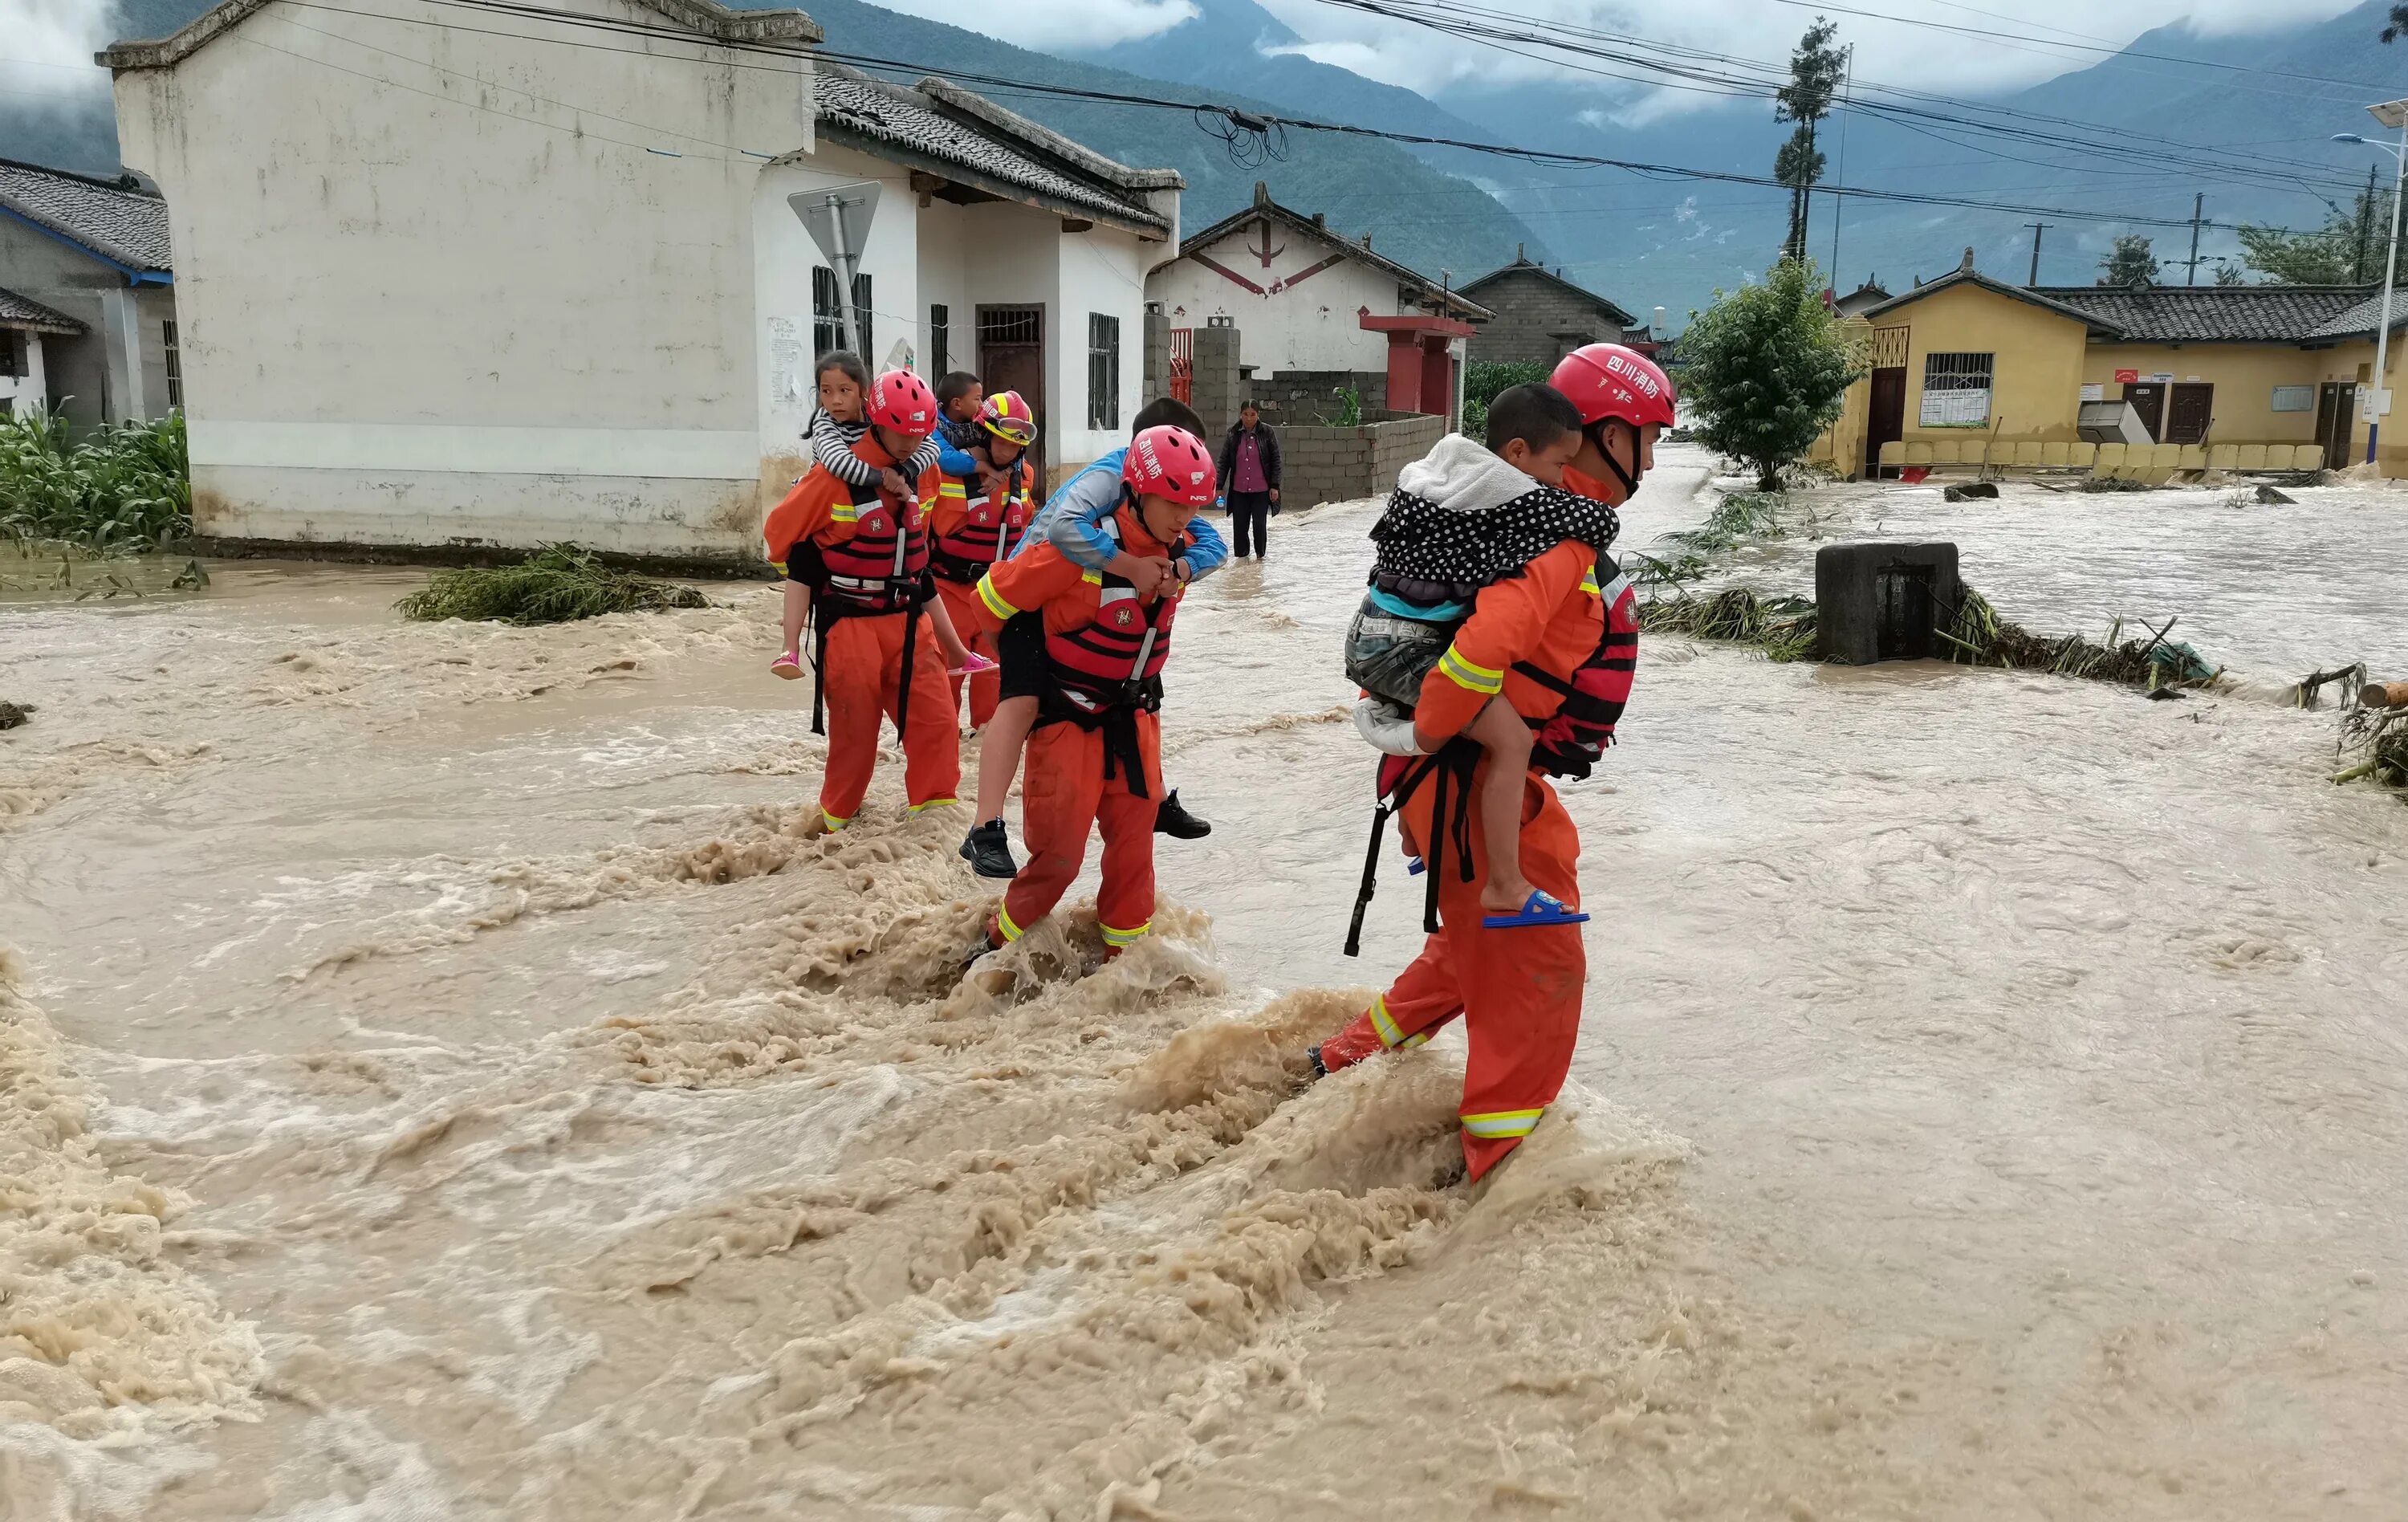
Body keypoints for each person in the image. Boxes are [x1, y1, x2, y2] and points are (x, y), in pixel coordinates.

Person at [1317, 343, 1672, 1184]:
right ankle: (1500, 1172)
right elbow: (1483, 650)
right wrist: (1439, 733)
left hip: (1453, 786)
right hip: (1469, 784)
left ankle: (1340, 1060)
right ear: (1600, 434)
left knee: (1478, 942)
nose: (1654, 460)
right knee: (1539, 958)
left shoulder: (1531, 522)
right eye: (1649, 438)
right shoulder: (1555, 539)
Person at [1343, 383, 1609, 927]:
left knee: (1413, 717)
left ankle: (1412, 837)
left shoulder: (1442, 476)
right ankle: (1505, 886)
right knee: (1510, 742)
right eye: (1559, 463)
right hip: (1403, 647)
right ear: (1515, 454)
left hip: (1370, 630)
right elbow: (1588, 521)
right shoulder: (1506, 499)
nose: (1561, 479)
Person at [965, 425, 1218, 957]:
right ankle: (991, 944)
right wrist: (1025, 669)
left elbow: (1216, 549)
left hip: (1135, 723)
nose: (1183, 517)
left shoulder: (1183, 547)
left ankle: (1122, 972)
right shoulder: (1075, 547)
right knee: (1059, 858)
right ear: (1138, 490)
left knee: (1133, 854)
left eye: (1192, 505)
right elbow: (989, 601)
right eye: (1173, 502)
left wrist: (1184, 565)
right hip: (1069, 722)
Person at [759, 368, 965, 832]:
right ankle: (834, 832)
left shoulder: (928, 470)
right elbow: (778, 537)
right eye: (901, 433)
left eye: (919, 433)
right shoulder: (831, 477)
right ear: (876, 419)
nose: (911, 443)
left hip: (911, 620)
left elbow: (928, 540)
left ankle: (932, 838)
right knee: (855, 738)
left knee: (937, 724)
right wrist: (807, 575)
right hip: (850, 623)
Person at [770, 352, 946, 682]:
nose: (834, 400)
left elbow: (930, 447)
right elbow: (839, 464)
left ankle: (959, 653)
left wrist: (905, 470)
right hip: (824, 500)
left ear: (864, 392)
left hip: (894, 579)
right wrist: (886, 478)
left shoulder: (880, 419)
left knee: (919, 568)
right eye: (826, 391)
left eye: (844, 391)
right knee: (802, 564)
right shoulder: (824, 423)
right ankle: (789, 646)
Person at [929, 389, 1039, 731]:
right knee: (941, 689)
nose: (1007, 452)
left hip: (995, 596)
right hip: (949, 592)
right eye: (1000, 442)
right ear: (982, 434)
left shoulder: (1026, 478)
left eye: (1014, 446)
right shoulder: (943, 472)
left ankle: (980, 761)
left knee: (993, 691)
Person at [1218, 401, 1281, 559]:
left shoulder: (1267, 432)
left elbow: (1275, 460)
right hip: (1239, 491)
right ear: (1241, 414)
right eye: (1246, 414)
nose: (1249, 418)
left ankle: (1260, 559)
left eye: (1253, 415)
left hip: (1261, 490)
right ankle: (1241, 561)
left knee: (1259, 526)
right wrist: (1219, 486)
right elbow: (1224, 461)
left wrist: (1274, 486)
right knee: (1240, 528)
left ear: (1258, 415)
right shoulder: (1233, 434)